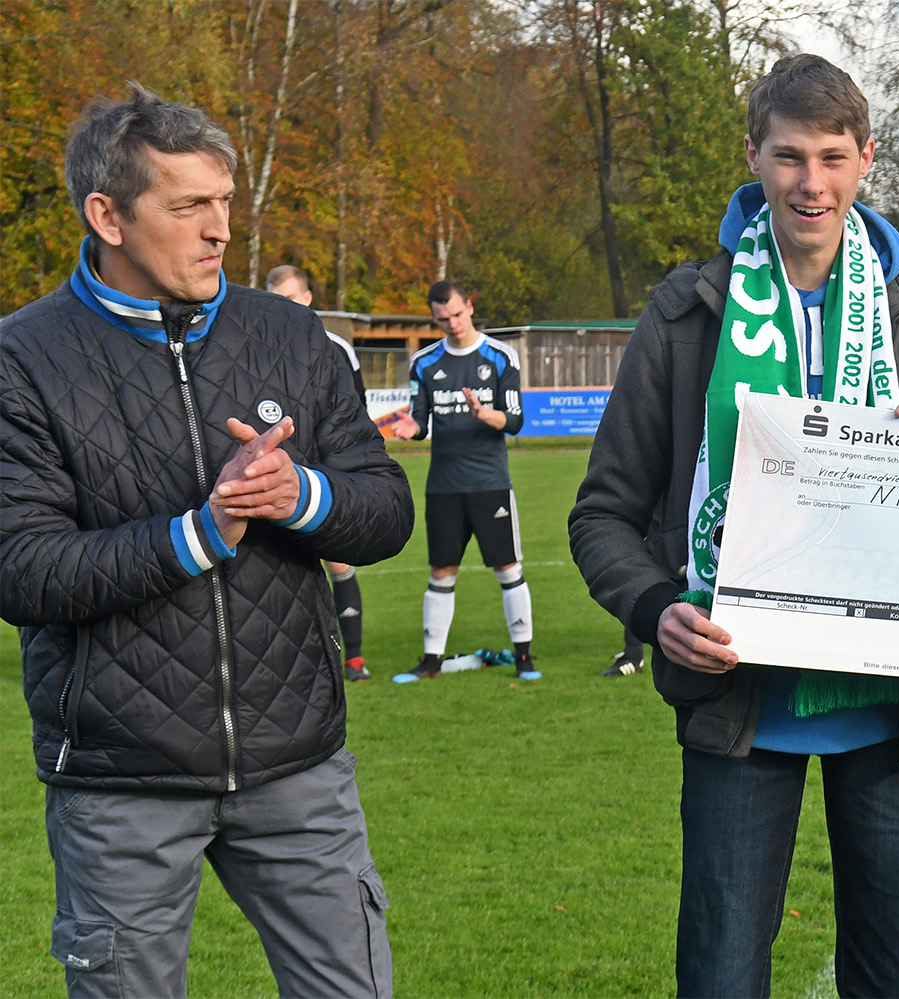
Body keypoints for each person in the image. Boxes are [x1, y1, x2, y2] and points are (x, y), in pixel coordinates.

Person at [567, 54, 899, 997]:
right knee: (721, 978)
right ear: (754, 156)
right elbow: (604, 511)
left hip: (890, 711)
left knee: (889, 979)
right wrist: (653, 609)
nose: (813, 183)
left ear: (866, 158)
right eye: (791, 156)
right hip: (738, 708)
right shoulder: (687, 315)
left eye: (833, 157)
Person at [0, 83, 410, 997]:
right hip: (120, 781)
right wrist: (198, 531)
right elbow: (18, 567)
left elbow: (385, 511)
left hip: (299, 766)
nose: (220, 230)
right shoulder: (22, 358)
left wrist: (299, 494)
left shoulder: (289, 333)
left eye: (225, 202)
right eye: (188, 206)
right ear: (106, 214)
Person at [389, 280, 537, 679]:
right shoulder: (424, 363)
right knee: (441, 572)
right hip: (443, 485)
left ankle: (524, 656)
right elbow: (421, 421)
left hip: (490, 482)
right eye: (442, 319)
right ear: (434, 319)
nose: (452, 324)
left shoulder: (501, 356)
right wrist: (411, 427)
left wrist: (486, 415)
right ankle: (431, 661)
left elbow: (516, 420)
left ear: (469, 307)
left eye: (457, 314)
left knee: (508, 568)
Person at [267, 264, 372, 681]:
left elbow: (354, 415)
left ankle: (355, 659)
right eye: (277, 301)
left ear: (308, 299)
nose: (284, 309)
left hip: (325, 472)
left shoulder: (336, 348)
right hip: (278, 472)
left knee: (338, 563)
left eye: (291, 299)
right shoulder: (258, 345)